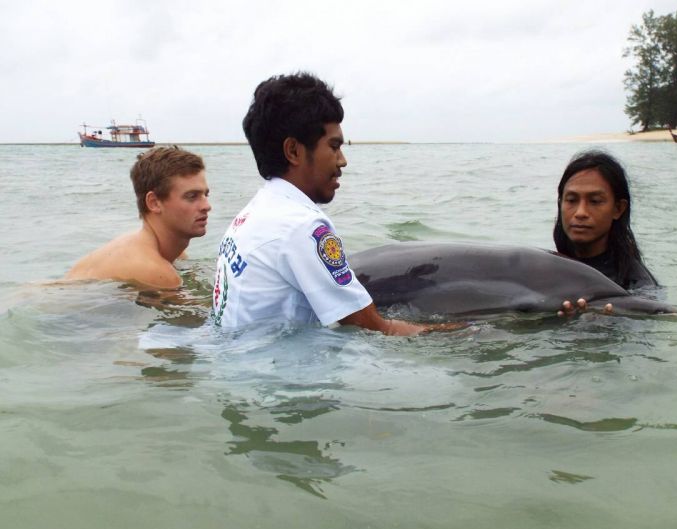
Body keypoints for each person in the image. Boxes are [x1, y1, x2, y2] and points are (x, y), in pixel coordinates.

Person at [211, 72, 445, 335]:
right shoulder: (301, 226)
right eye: (334, 146)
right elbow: (376, 328)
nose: (342, 160)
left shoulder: (250, 216)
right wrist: (462, 333)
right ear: (294, 151)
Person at [65, 146, 210, 289]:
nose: (207, 206)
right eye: (192, 196)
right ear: (154, 203)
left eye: (205, 195)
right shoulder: (155, 271)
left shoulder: (171, 255)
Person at [553, 151, 657, 290]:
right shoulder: (546, 267)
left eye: (595, 201)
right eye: (571, 200)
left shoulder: (638, 285)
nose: (580, 212)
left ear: (618, 209)